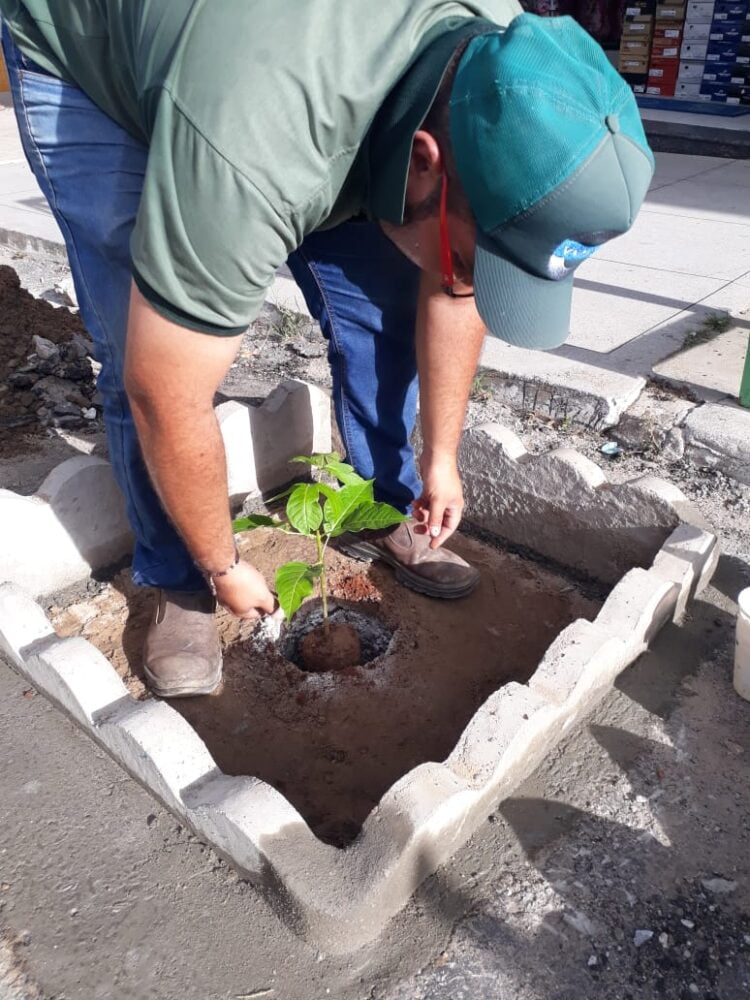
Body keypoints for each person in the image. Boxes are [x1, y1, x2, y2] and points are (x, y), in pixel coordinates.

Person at [0, 1, 654, 697]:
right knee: (141, 340)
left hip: (290, 83)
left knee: (382, 309)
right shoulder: (253, 144)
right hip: (92, 54)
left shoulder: (507, 74)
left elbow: (453, 285)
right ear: (424, 162)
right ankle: (179, 576)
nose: (468, 282)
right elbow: (164, 392)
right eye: (474, 262)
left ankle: (385, 506)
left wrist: (441, 459)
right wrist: (225, 564)